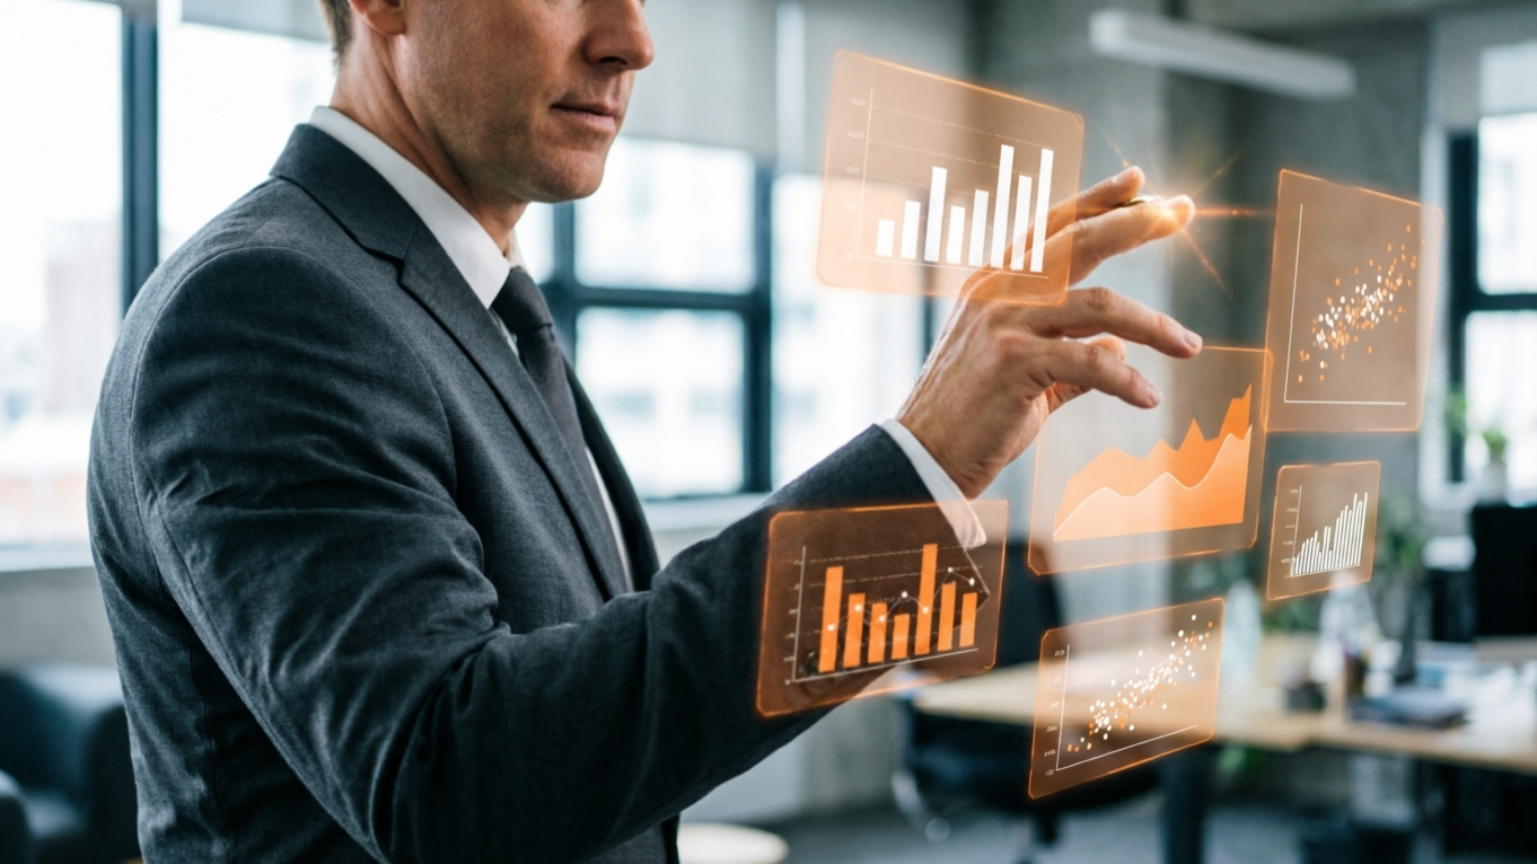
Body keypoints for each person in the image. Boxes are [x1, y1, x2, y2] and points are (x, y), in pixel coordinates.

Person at [86, 0, 1200, 861]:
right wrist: (915, 468)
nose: (633, 41)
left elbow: (597, 717)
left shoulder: (452, 303)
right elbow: (452, 786)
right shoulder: (266, 308)